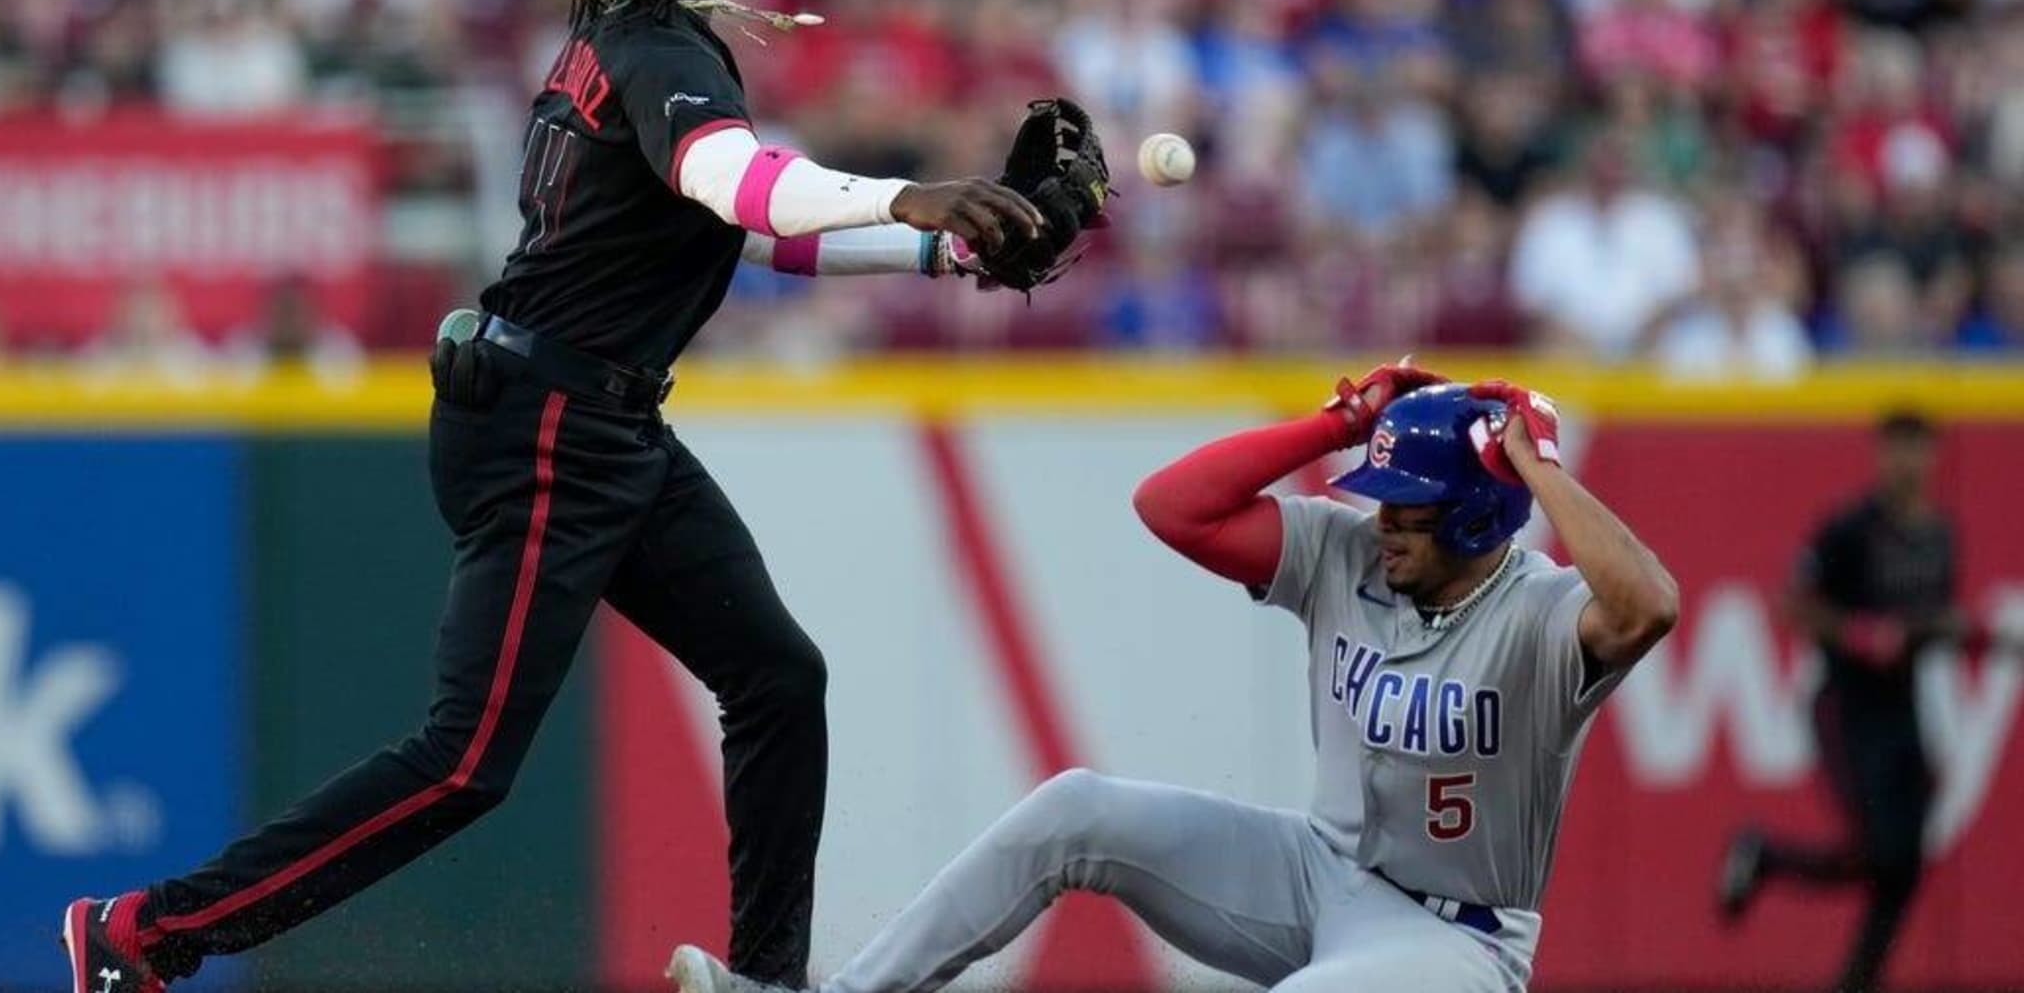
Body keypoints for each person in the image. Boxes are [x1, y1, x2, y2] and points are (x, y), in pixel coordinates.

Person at [60, 0, 1083, 993]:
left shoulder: (635, 36)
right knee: (465, 764)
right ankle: (144, 934)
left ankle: (765, 980)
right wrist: (913, 197)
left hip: (588, 414)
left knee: (776, 678)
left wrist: (943, 252)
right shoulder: (654, 51)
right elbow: (743, 187)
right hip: (547, 422)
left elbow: (749, 230)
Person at [669, 366, 1680, 993]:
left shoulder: (1541, 613)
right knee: (1078, 810)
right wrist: (1333, 427)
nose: (1381, 521)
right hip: (1318, 875)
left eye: (1407, 508)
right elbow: (1173, 507)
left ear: (1473, 517)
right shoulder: (1349, 554)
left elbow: (1651, 605)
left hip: (1455, 941)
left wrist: (1539, 469)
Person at [1715, 412, 1988, 993]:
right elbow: (1794, 603)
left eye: (1918, 449)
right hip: (1848, 707)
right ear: (1880, 454)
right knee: (1880, 850)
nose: (1907, 463)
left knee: (1902, 866)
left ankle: (1855, 974)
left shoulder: (1940, 533)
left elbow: (1929, 621)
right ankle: (1764, 857)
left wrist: (1966, 634)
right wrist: (1857, 632)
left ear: (1934, 457)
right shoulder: (1851, 528)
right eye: (1897, 449)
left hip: (1906, 709)